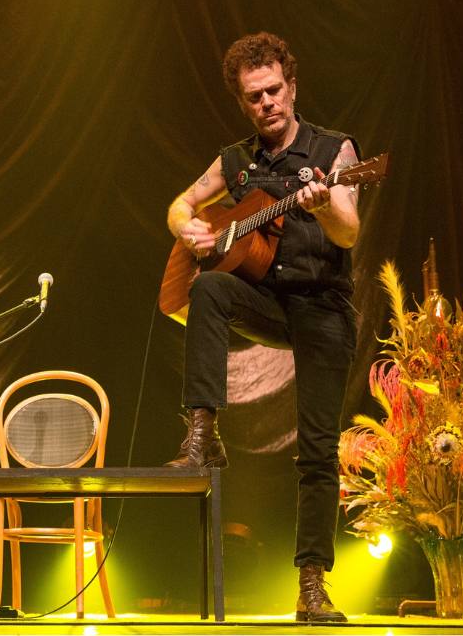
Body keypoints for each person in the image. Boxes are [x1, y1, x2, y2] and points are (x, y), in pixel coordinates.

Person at [163, 32, 359, 623]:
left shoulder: (335, 150)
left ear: (292, 87)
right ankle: (203, 435)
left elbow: (348, 233)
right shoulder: (236, 160)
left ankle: (311, 586)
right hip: (267, 303)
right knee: (207, 284)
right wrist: (187, 229)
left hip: (323, 305)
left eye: (275, 90)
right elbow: (181, 202)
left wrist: (323, 203)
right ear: (243, 102)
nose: (267, 102)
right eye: (255, 96)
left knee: (319, 451)